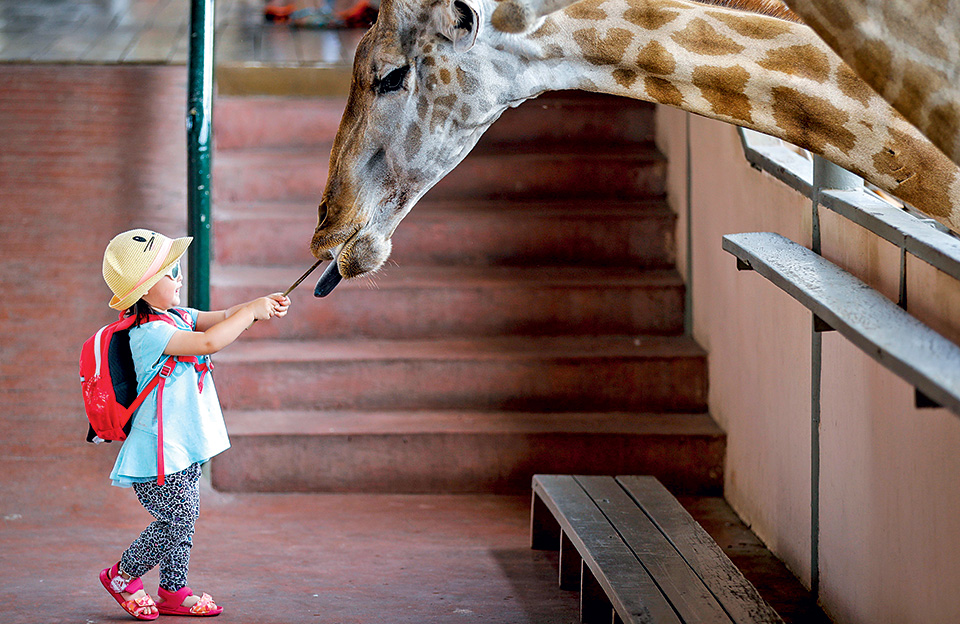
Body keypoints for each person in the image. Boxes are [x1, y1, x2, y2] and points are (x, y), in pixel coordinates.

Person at [97, 229, 290, 620]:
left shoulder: (178, 316)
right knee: (177, 517)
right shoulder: (148, 333)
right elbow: (208, 342)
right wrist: (248, 315)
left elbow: (217, 320)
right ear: (146, 287)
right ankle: (122, 575)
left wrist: (254, 305)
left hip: (183, 445)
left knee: (185, 518)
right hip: (157, 453)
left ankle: (172, 589)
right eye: (171, 272)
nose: (179, 277)